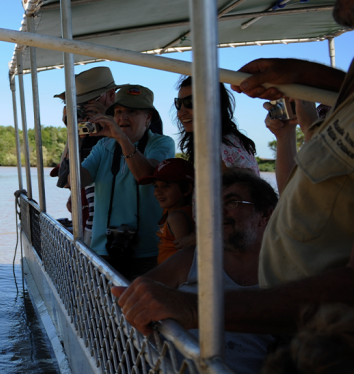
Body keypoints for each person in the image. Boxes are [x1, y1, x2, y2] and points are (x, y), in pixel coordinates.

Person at [112, 0, 354, 335]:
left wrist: (198, 308)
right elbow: (299, 178)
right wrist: (308, 79)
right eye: (179, 104)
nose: (183, 111)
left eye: (191, 102)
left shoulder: (223, 147)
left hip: (314, 324)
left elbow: (243, 203)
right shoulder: (203, 146)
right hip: (282, 294)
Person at [140, 171, 278, 374]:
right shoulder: (190, 260)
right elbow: (134, 294)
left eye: (232, 202)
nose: (218, 212)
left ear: (266, 215)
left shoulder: (287, 272)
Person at [79, 85, 175, 280]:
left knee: (142, 308)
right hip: (102, 250)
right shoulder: (103, 145)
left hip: (147, 252)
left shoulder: (162, 143)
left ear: (148, 118)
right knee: (102, 309)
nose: (123, 117)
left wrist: (121, 138)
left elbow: (146, 175)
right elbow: (75, 181)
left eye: (132, 111)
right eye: (119, 111)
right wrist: (75, 140)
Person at [52, 67, 122, 242]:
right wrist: (74, 135)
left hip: (121, 227)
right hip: (90, 223)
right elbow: (65, 180)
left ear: (111, 96)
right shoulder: (86, 129)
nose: (83, 110)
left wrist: (109, 119)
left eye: (88, 102)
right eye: (79, 104)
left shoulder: (133, 121)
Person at [175, 76, 260, 174]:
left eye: (191, 102)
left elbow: (217, 188)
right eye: (178, 104)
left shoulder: (217, 148)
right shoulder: (229, 140)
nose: (181, 113)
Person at [138, 158, 194, 265]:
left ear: (186, 188)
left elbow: (185, 258)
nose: (158, 192)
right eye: (156, 186)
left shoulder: (176, 217)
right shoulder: (169, 211)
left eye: (166, 186)